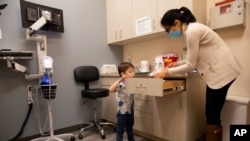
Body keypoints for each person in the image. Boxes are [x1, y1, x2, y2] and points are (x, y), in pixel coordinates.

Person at [153, 7, 242, 141]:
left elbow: (190, 65)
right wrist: (176, 64)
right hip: (222, 72)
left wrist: (166, 71)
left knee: (211, 114)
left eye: (168, 29)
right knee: (213, 113)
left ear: (176, 23)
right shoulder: (194, 29)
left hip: (221, 74)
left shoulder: (192, 31)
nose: (168, 33)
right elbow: (193, 58)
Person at [109, 62, 135, 141]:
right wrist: (121, 79)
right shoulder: (120, 84)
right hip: (122, 113)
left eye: (133, 71)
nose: (133, 73)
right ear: (123, 74)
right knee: (120, 130)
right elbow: (110, 89)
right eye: (130, 72)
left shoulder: (132, 83)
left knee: (130, 129)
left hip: (130, 111)